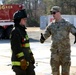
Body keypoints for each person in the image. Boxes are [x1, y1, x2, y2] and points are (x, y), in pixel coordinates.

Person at [40, 6, 76, 75]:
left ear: (59, 12)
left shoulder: (67, 24)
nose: (52, 15)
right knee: (55, 73)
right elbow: (46, 34)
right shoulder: (51, 25)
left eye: (54, 13)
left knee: (65, 73)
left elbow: (74, 31)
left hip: (65, 53)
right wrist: (42, 38)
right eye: (51, 13)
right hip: (55, 54)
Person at [10, 9, 35, 75]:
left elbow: (27, 46)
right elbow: (15, 48)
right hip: (19, 63)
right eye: (24, 19)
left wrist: (31, 55)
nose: (25, 20)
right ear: (19, 20)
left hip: (26, 61)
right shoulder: (15, 32)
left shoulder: (23, 31)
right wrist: (22, 59)